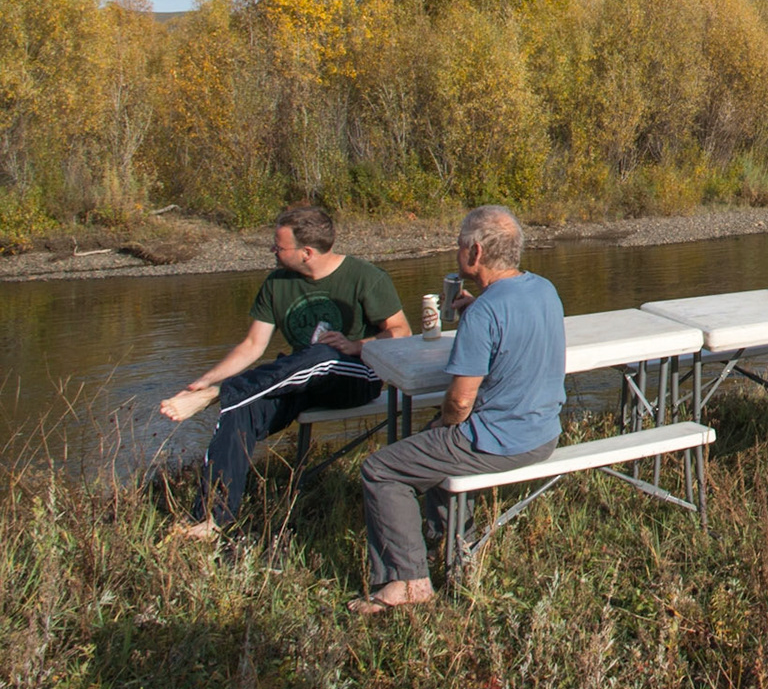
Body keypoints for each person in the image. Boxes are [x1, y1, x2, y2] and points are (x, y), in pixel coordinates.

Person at [352, 205, 565, 614]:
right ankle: (450, 543)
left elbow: (460, 401)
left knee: (381, 469)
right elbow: (516, 335)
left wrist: (446, 424)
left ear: (475, 253)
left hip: (502, 441)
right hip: (543, 432)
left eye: (458, 244)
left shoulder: (485, 313)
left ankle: (410, 579)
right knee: (434, 445)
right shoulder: (543, 288)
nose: (457, 251)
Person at [160, 204, 408, 540]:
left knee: (322, 355)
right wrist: (204, 380)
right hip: (299, 379)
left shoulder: (366, 277)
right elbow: (251, 346)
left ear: (306, 252)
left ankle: (221, 393)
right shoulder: (277, 284)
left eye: (279, 247)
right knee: (240, 409)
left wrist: (356, 345)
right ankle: (211, 520)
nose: (273, 252)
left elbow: (400, 332)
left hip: (355, 378)